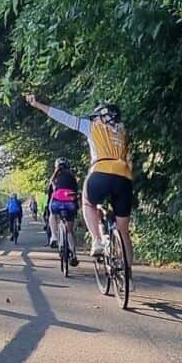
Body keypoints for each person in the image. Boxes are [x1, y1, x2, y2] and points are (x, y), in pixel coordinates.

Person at [25, 95, 134, 266]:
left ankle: (97, 240)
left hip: (100, 172)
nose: (94, 119)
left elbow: (64, 117)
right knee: (124, 231)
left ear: (101, 118)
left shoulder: (92, 127)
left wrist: (38, 104)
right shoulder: (123, 133)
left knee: (88, 203)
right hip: (124, 178)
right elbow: (129, 161)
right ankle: (128, 274)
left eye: (96, 117)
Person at [46, 157, 80, 266]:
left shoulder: (54, 179)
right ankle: (74, 254)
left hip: (56, 204)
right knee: (70, 231)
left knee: (52, 214)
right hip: (69, 205)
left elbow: (50, 196)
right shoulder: (72, 178)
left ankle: (54, 237)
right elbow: (75, 193)